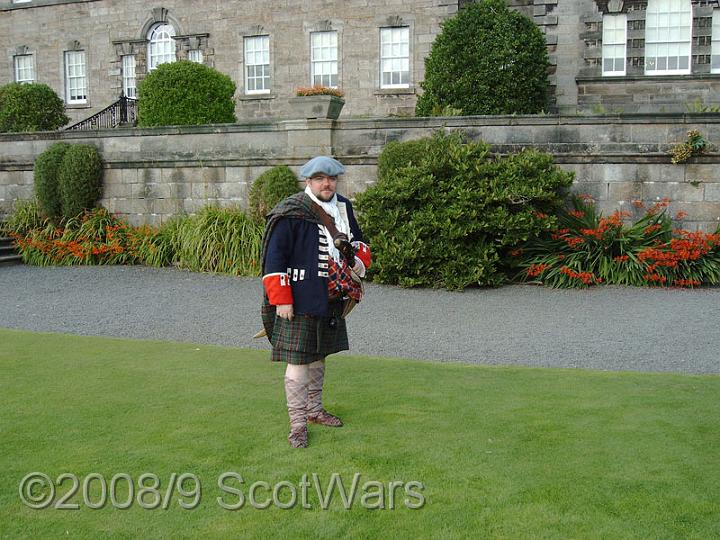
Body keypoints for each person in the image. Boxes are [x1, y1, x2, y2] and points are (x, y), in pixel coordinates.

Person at [260, 156, 372, 448]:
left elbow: (359, 242)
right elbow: (274, 260)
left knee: (320, 353)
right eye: (321, 178)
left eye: (332, 178)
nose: (327, 183)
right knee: (298, 360)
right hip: (299, 297)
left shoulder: (344, 206)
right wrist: (281, 300)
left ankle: (314, 411)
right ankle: (297, 426)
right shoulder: (292, 211)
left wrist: (359, 262)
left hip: (333, 296)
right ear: (308, 181)